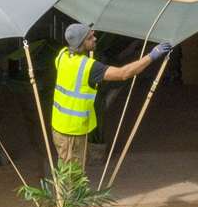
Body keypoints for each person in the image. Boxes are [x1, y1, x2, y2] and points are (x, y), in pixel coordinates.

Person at [50, 23, 171, 168]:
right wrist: (152, 55)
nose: (95, 39)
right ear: (81, 44)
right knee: (72, 178)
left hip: (60, 127)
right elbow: (123, 74)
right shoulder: (88, 67)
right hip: (72, 133)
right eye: (90, 38)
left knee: (67, 171)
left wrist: (84, 31)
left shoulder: (62, 55)